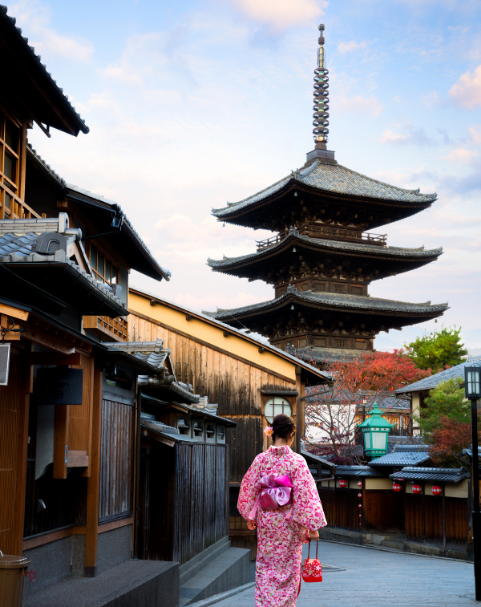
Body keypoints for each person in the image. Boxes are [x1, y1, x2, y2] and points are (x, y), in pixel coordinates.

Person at [237, 414, 327, 607]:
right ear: (291, 434)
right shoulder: (297, 462)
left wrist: (249, 515)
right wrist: (312, 527)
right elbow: (306, 495)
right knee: (288, 572)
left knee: (266, 568)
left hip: (267, 524)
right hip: (289, 525)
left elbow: (249, 488)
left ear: (272, 433)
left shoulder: (260, 460)